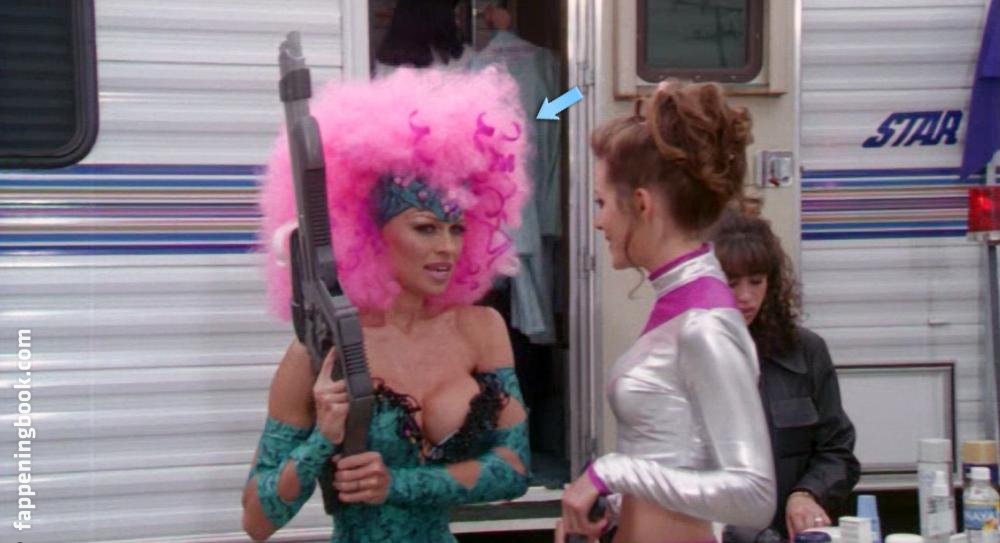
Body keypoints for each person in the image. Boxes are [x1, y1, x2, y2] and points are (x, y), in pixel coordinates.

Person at [240, 66, 531, 542]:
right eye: (425, 228)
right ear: (368, 232)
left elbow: (515, 468)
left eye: (457, 229)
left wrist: (396, 484)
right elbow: (257, 520)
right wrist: (322, 440)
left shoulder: (480, 328)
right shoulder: (321, 351)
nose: (448, 248)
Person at [556, 81, 776, 543]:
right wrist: (614, 503)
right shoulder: (684, 304)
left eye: (601, 202)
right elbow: (677, 451)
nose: (597, 220)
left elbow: (754, 494)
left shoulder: (704, 324)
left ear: (641, 204)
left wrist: (611, 472)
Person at [713, 211, 860, 543]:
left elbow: (837, 451)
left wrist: (808, 493)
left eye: (756, 281)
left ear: (772, 282)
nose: (745, 296)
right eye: (732, 283)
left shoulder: (806, 351)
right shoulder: (685, 355)